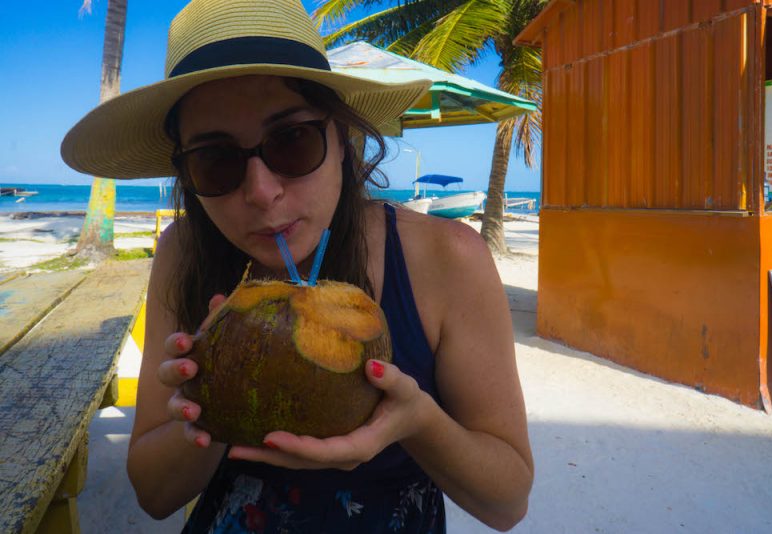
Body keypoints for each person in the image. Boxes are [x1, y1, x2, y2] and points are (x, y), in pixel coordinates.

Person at [62, 0, 533, 531]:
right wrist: (212, 399)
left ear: (342, 140)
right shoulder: (186, 250)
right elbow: (154, 494)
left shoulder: (445, 256)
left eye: (292, 140)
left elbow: (507, 500)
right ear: (188, 173)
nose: (261, 193)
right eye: (215, 159)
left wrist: (418, 421)